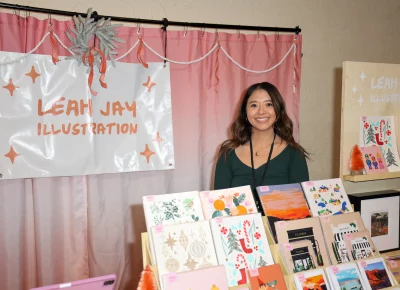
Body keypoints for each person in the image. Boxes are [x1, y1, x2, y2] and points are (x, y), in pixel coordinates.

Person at [214, 82, 310, 211]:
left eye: (268, 104)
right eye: (254, 105)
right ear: (245, 112)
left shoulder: (293, 153)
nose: (261, 111)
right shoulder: (228, 153)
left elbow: (300, 208)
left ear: (278, 110)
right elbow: (220, 207)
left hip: (280, 230)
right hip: (240, 229)